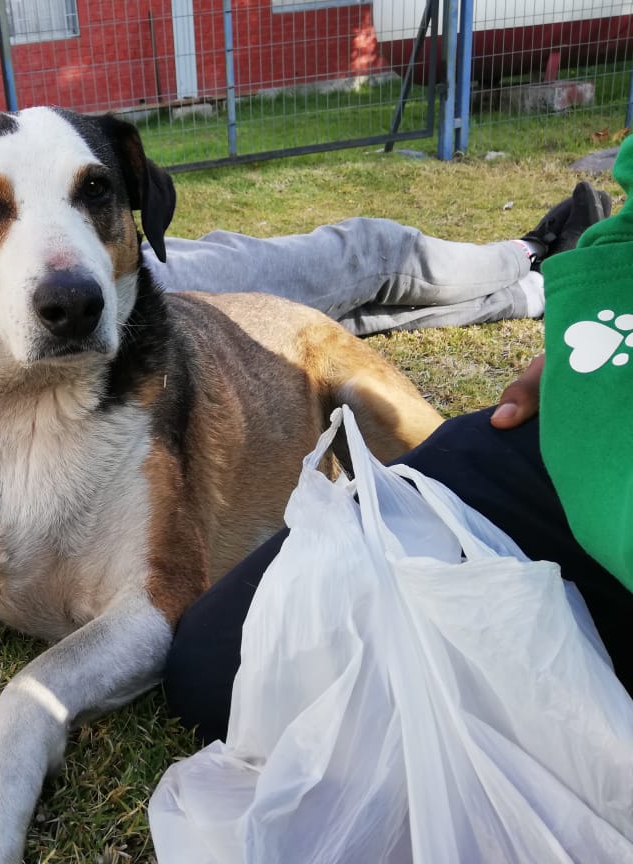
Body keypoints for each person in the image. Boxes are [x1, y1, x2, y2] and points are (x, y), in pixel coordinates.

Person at [161, 143, 632, 745]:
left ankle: (527, 262)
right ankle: (533, 279)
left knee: (369, 262)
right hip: (597, 392)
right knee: (363, 276)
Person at [148, 180, 611, 336]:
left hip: (145, 294)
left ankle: (535, 292)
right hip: (149, 288)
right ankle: (527, 253)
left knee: (341, 321)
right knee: (370, 252)